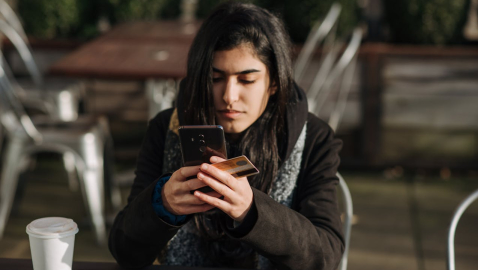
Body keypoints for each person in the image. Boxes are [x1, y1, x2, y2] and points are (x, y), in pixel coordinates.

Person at [108, 2, 344, 269]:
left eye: (247, 80)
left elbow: (326, 256)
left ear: (275, 81)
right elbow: (123, 250)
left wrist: (253, 212)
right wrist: (161, 205)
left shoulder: (313, 137)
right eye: (214, 78)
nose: (229, 96)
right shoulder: (166, 128)